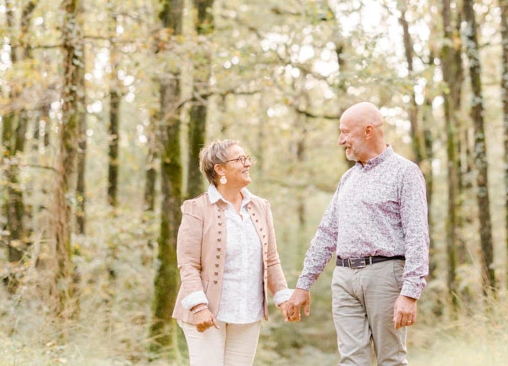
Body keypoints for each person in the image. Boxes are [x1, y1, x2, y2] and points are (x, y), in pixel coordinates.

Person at [281, 102, 429, 366]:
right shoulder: (348, 179)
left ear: (368, 131)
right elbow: (327, 233)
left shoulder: (405, 173)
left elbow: (418, 235)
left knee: (391, 360)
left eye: (345, 132)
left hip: (385, 276)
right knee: (350, 361)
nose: (341, 140)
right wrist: (303, 284)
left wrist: (410, 293)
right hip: (344, 278)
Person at [173, 139, 293, 366]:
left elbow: (271, 259)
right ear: (220, 169)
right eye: (240, 159)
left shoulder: (261, 206)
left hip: (248, 312)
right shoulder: (196, 208)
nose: (247, 163)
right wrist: (199, 307)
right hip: (208, 314)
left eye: (247, 158)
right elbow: (188, 264)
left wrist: (283, 298)